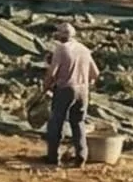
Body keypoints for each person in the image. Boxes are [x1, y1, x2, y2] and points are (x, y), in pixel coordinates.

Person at [42, 19, 97, 168]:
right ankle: (81, 155)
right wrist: (85, 82)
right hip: (83, 91)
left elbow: (52, 73)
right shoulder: (84, 49)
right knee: (78, 122)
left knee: (56, 122)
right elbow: (95, 73)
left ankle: (53, 156)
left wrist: (45, 88)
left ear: (61, 35)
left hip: (65, 89)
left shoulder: (61, 49)